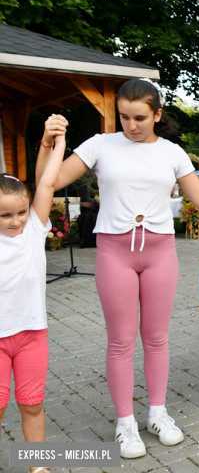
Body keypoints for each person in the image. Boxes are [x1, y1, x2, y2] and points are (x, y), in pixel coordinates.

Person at [36, 79, 199, 459]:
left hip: (160, 251)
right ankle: (125, 421)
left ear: (157, 114)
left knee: (158, 337)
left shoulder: (172, 152)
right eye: (125, 117)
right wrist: (48, 145)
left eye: (141, 117)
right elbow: (49, 181)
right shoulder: (100, 144)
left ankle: (158, 413)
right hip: (115, 251)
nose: (131, 125)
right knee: (121, 341)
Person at [0, 118, 66, 473]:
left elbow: (47, 182)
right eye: (5, 215)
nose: (15, 221)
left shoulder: (34, 230)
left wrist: (57, 142)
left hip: (31, 336)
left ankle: (37, 466)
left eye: (21, 212)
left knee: (32, 404)